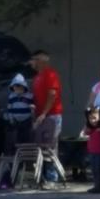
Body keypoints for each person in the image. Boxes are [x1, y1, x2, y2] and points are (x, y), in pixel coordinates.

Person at [29, 50, 63, 182]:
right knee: (41, 146)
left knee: (50, 146)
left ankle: (52, 177)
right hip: (40, 116)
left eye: (34, 59)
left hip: (52, 115)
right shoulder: (37, 77)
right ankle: (43, 176)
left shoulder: (50, 74)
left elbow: (52, 94)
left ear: (41, 60)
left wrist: (44, 113)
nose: (32, 62)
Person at [4, 73, 34, 153]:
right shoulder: (11, 97)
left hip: (27, 120)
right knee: (17, 139)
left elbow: (33, 107)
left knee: (27, 138)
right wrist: (11, 119)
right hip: (16, 121)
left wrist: (32, 111)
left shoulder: (29, 96)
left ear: (24, 87)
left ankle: (28, 155)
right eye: (15, 87)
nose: (17, 88)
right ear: (13, 87)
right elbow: (9, 108)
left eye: (19, 86)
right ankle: (18, 155)